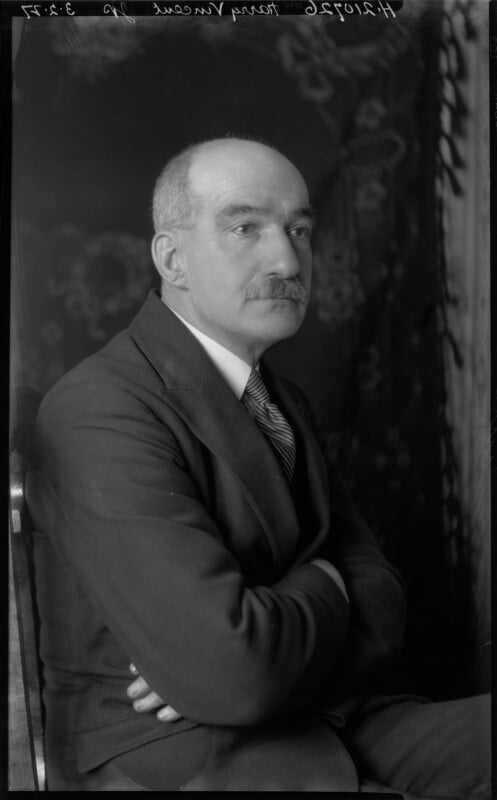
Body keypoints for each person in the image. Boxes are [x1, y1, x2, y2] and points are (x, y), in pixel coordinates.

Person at [26, 137, 491, 794]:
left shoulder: (278, 398)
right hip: (181, 755)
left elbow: (385, 603)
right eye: (245, 227)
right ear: (172, 258)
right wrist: (327, 582)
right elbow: (230, 670)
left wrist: (274, 635)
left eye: (299, 230)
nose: (287, 259)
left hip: (319, 715)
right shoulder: (101, 407)